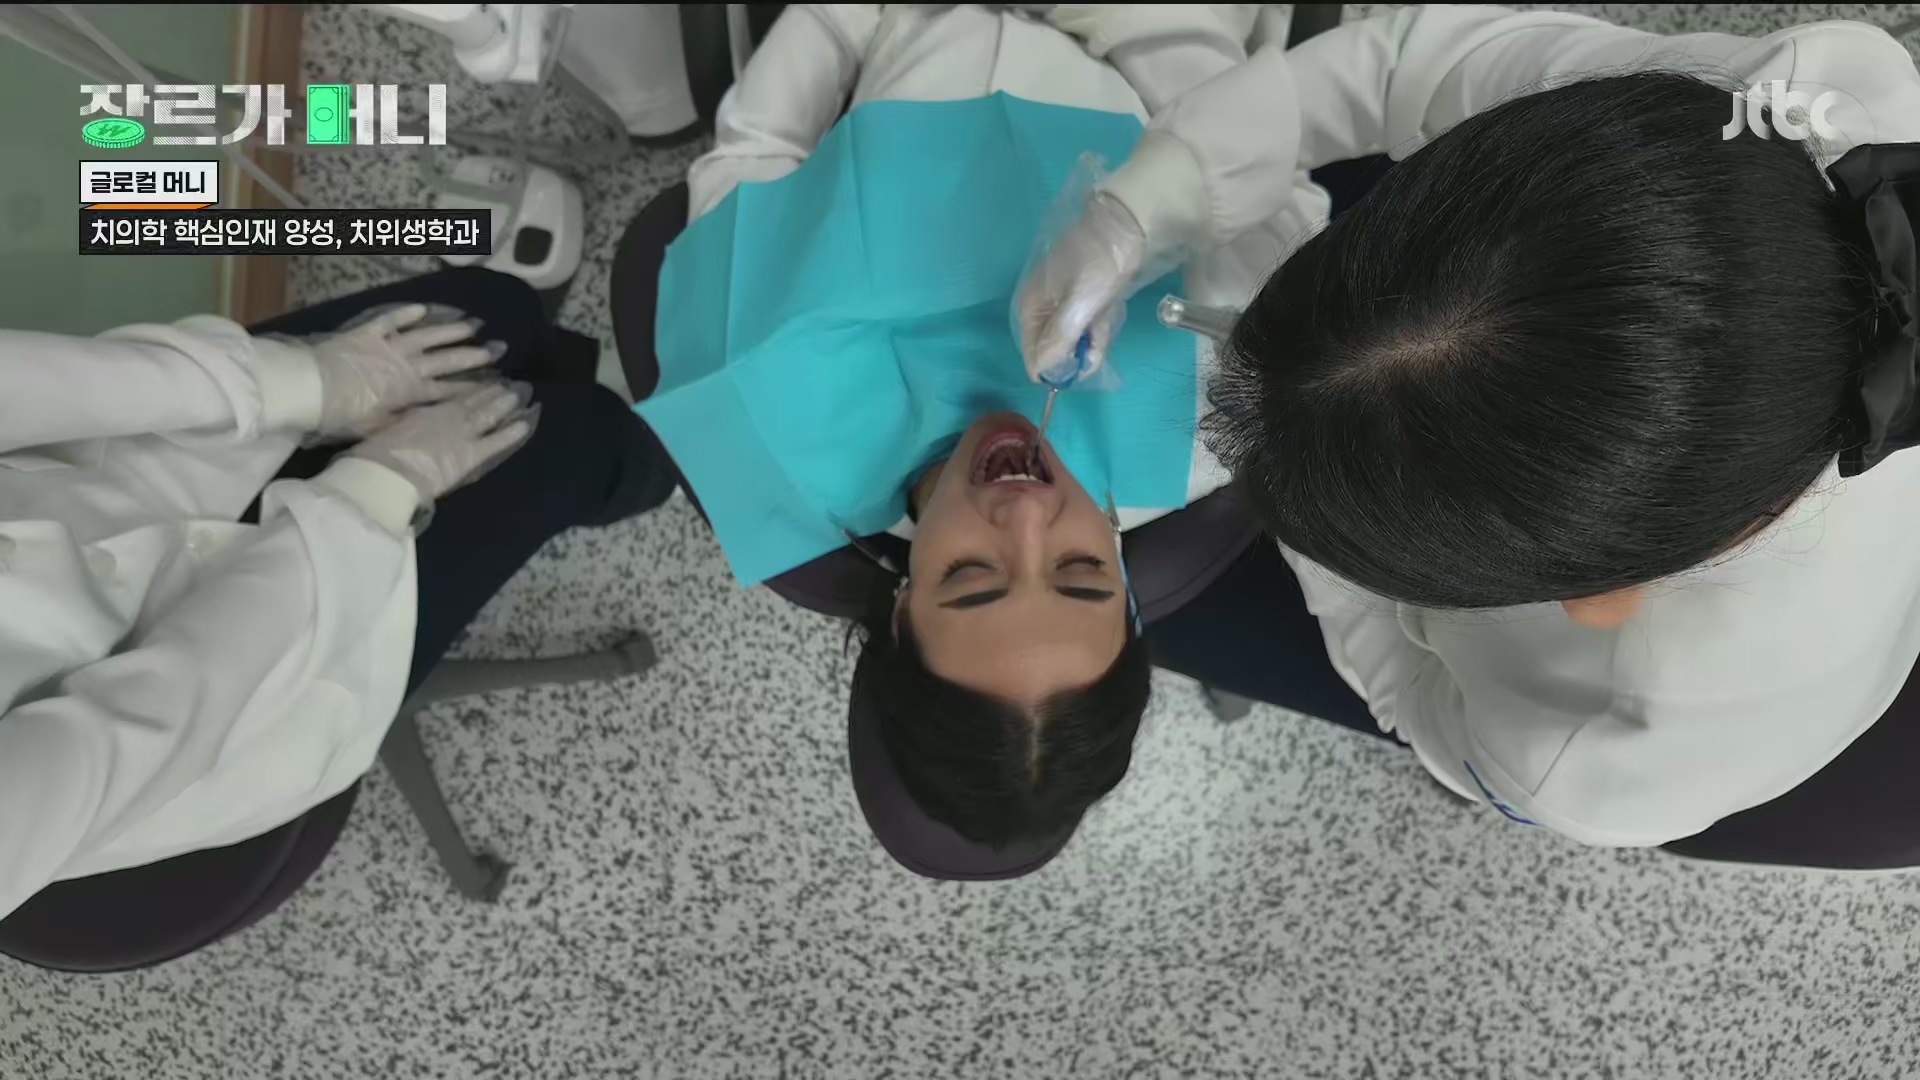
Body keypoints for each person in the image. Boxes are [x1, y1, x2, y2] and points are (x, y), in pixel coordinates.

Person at [1024, 6, 1920, 860]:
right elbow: (1410, 68)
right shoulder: (1797, 103)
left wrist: (1317, 546)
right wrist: (1149, 198)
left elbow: (1415, 698)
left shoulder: (1601, 760)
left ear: (1593, 597)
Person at [681, 4, 1316, 878]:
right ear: (1130, 599)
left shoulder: (777, 423)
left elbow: (754, 153)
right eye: (1080, 570)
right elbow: (1264, 161)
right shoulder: (1215, 413)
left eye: (972, 575)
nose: (1024, 516)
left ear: (900, 609)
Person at [0, 266, 674, 919]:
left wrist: (302, 382)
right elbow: (143, 727)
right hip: (224, 690)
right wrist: (375, 489)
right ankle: (657, 449)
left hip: (91, 481)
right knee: (573, 442)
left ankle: (591, 387)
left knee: (492, 309)